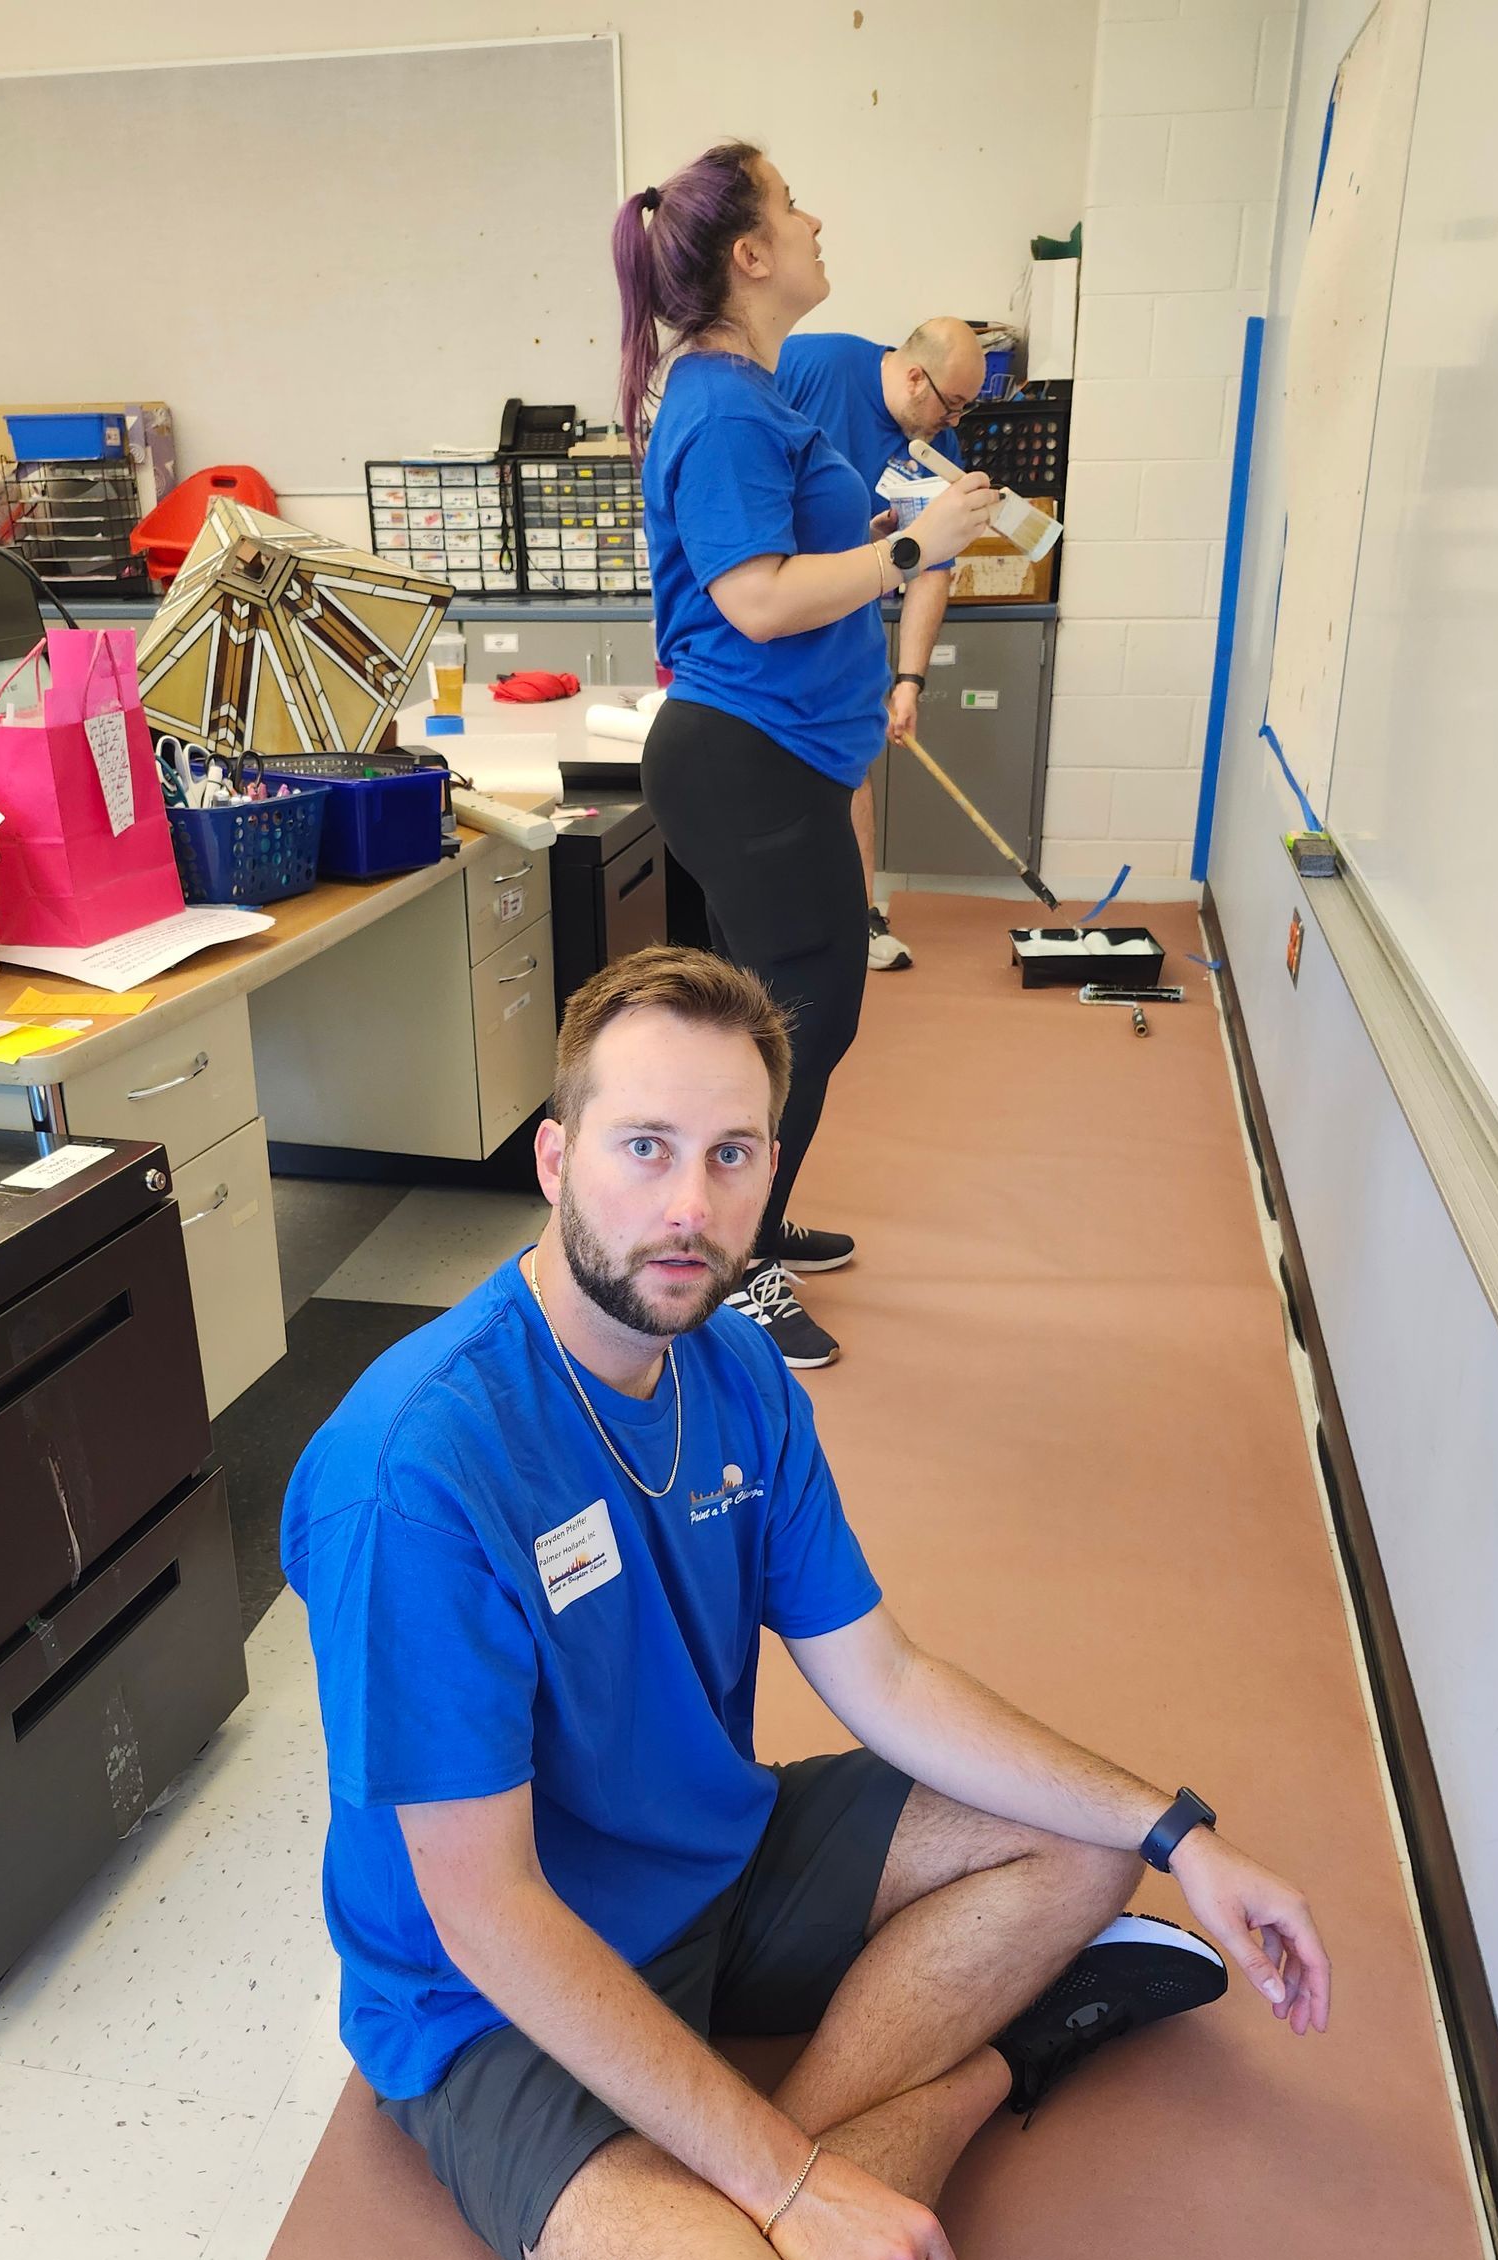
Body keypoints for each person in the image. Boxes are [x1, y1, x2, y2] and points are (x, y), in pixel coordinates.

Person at [283, 944, 1333, 2260]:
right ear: (557, 1158)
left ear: (775, 1162)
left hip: (715, 1848)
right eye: (643, 1149)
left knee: (1084, 1840)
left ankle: (796, 2171)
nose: (687, 1205)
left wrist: (1181, 1829)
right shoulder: (420, 1469)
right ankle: (996, 2066)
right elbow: (486, 1913)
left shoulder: (740, 1374)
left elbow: (888, 1677)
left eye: (732, 1154)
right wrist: (784, 2194)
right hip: (484, 1993)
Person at [615, 142, 994, 1372]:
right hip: (744, 758)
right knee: (801, 1023)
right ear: (751, 255)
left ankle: (744, 1230)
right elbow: (759, 600)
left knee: (771, 1022)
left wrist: (899, 530)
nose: (818, 219)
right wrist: (906, 550)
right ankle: (730, 1264)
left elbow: (799, 556)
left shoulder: (760, 391)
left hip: (778, 761)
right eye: (794, 206)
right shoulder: (722, 405)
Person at [775, 320, 991, 973]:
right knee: (770, 764)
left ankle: (859, 917)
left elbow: (931, 565)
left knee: (851, 760)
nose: (953, 421)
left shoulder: (934, 442)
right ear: (915, 376)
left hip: (852, 609)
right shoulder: (812, 364)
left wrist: (910, 681)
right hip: (777, 600)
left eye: (965, 409)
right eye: (950, 404)